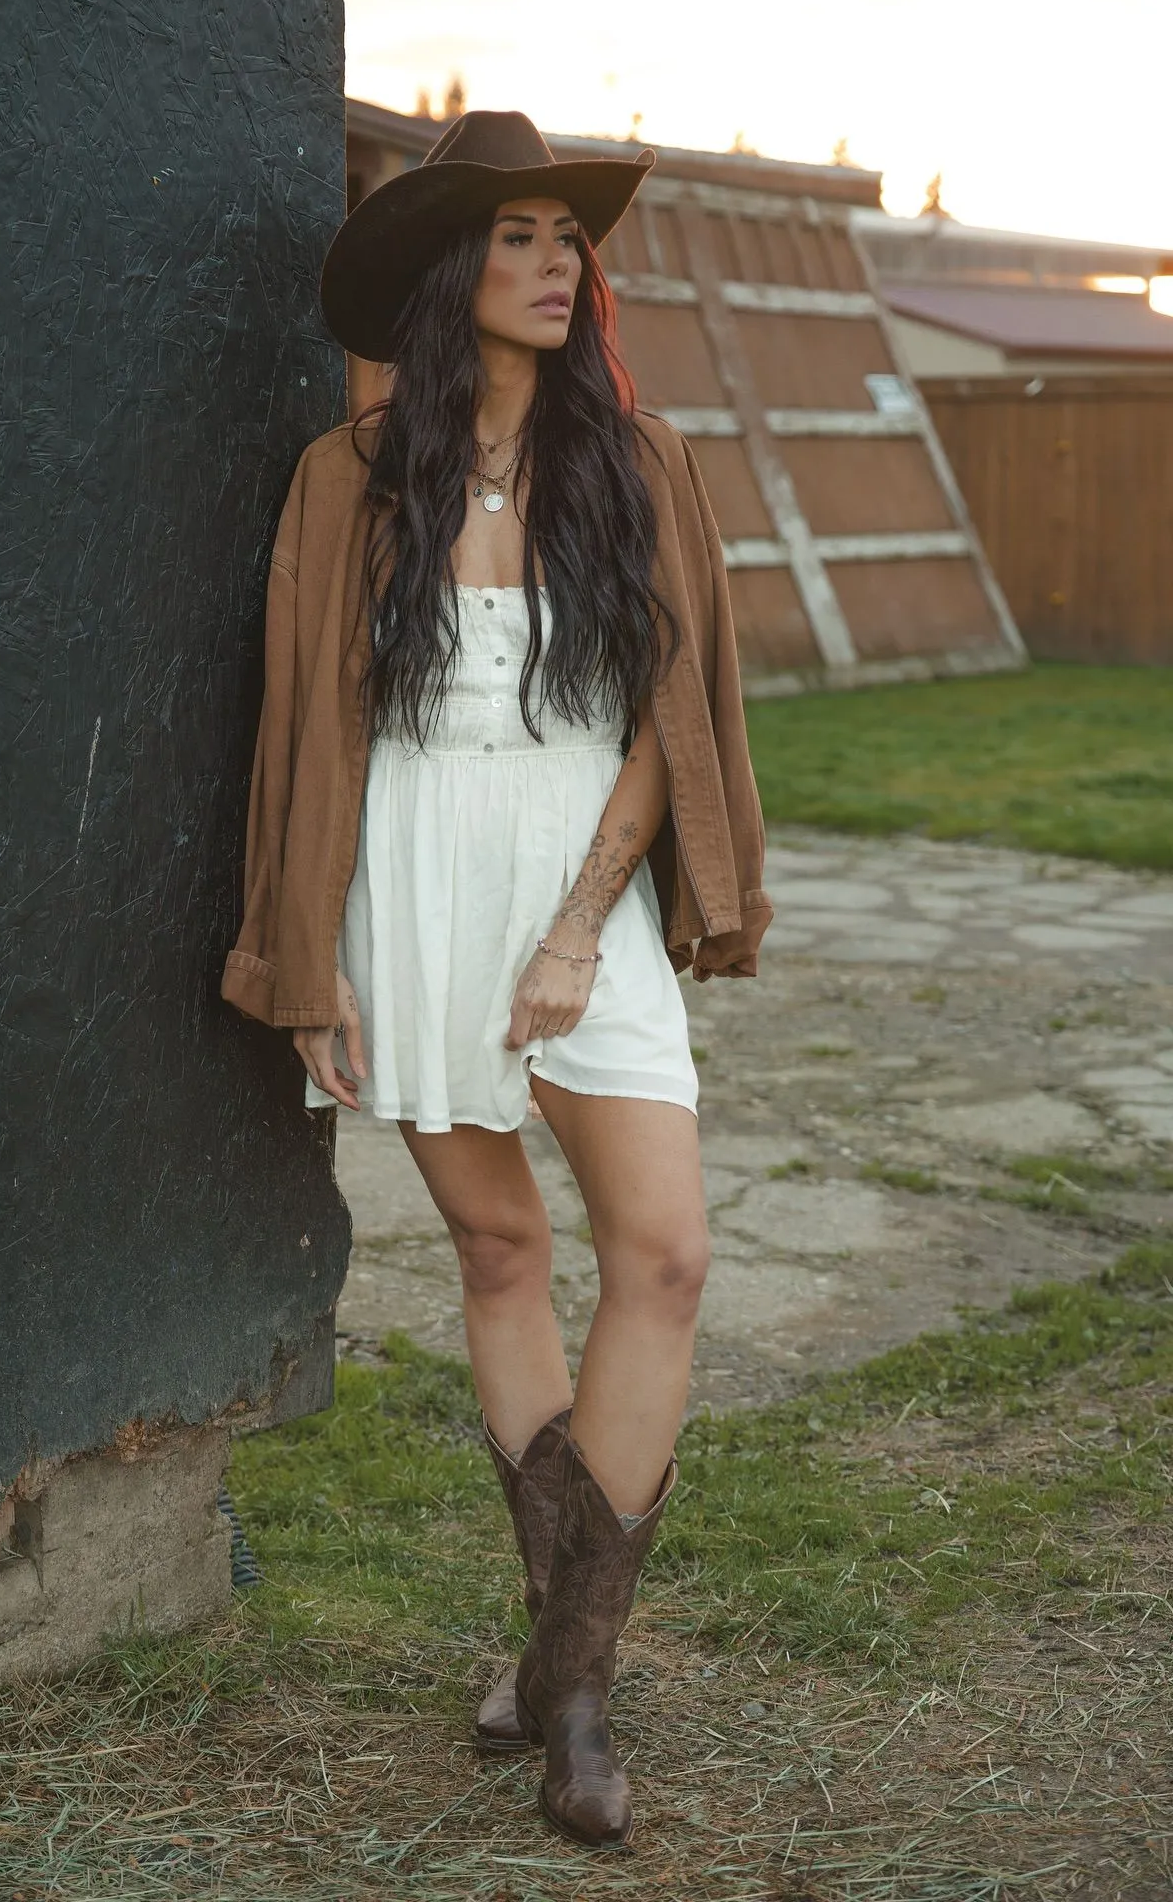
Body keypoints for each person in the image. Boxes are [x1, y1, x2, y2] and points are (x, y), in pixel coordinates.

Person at [222, 110, 772, 1850]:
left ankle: (561, 1673)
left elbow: (668, 723)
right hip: (409, 885)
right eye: (520, 237)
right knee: (499, 1250)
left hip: (572, 882)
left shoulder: (641, 462)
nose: (556, 265)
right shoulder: (346, 477)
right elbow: (304, 732)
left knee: (665, 1257)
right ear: (452, 272)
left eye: (567, 239)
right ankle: (574, 1690)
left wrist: (578, 925)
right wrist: (310, 952)